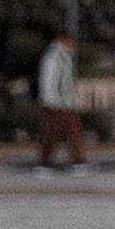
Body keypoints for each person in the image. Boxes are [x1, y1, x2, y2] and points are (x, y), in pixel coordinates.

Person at [34, 32, 83, 169]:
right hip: (55, 104)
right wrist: (53, 102)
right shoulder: (54, 58)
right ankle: (45, 163)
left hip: (65, 103)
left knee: (73, 132)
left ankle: (77, 160)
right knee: (52, 134)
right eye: (70, 43)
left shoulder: (64, 58)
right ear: (63, 42)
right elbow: (49, 82)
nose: (72, 46)